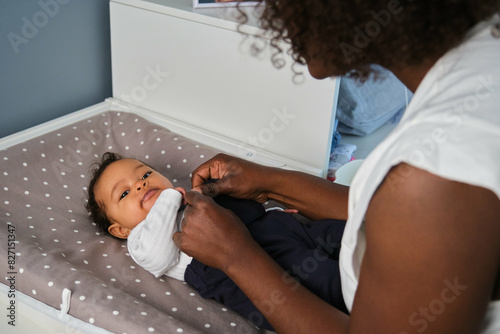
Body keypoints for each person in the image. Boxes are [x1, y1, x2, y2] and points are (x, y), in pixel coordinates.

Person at [173, 1, 500, 333]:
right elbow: (387, 214)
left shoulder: (435, 177)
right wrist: (268, 182)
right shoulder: (481, 58)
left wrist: (235, 257)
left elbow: (414, 213)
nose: (279, 18)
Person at [85, 152, 348, 330]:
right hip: (257, 272)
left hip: (280, 228)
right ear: (120, 230)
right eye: (125, 193)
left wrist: (274, 211)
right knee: (327, 280)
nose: (140, 185)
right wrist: (168, 198)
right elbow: (159, 256)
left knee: (342, 233)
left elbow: (243, 209)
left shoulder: (189, 195)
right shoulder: (140, 239)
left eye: (144, 175)